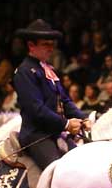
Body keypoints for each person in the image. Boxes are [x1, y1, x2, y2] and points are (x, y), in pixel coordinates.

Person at [12, 19, 90, 170]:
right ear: (31, 45)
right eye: (45, 44)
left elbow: (65, 101)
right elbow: (36, 109)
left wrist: (83, 118)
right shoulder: (24, 71)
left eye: (52, 44)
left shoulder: (48, 70)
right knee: (57, 170)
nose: (50, 48)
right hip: (37, 135)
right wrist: (66, 124)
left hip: (54, 132)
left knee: (82, 163)